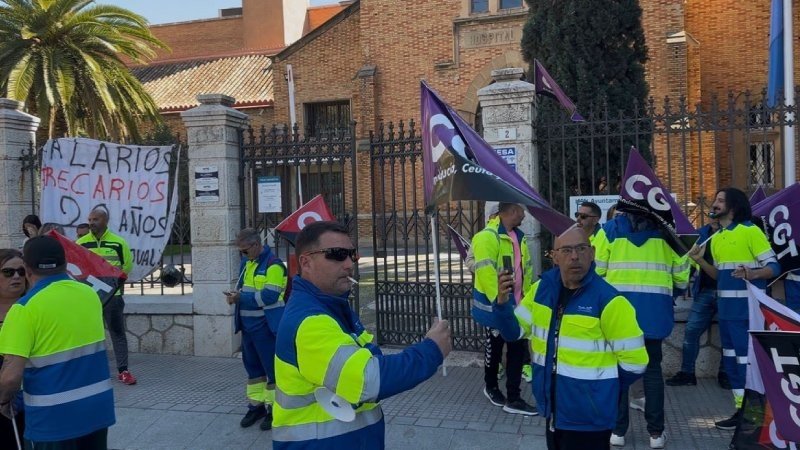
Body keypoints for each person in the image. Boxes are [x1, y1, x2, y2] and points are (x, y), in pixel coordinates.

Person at [272, 221, 451, 449]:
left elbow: (369, 360)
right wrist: (431, 350)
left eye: (352, 255)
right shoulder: (310, 321)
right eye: (337, 254)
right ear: (305, 262)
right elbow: (368, 380)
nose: (349, 264)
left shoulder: (334, 307)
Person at [492, 226, 648, 450]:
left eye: (581, 248)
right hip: (553, 409)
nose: (574, 256)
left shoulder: (610, 301)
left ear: (592, 253)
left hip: (590, 418)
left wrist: (599, 391)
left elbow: (636, 363)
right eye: (566, 250)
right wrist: (501, 303)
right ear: (554, 257)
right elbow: (514, 332)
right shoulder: (541, 290)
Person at [0, 236, 115, 449]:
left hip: (52, 420)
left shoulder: (24, 309)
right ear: (65, 263)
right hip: (97, 409)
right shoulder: (89, 295)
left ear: (27, 269)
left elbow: (10, 378)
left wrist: (3, 400)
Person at [593, 211, 690, 449]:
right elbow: (682, 279)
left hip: (618, 314)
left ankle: (617, 431)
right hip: (654, 313)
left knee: (617, 372)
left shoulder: (609, 230)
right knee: (652, 371)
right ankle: (656, 434)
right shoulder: (669, 233)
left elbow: (596, 272)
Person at [689, 188, 779, 430]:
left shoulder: (750, 231)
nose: (714, 204)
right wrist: (700, 261)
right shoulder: (717, 238)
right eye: (715, 200)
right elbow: (720, 276)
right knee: (732, 364)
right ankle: (742, 413)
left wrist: (752, 274)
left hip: (748, 312)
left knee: (748, 364)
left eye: (720, 200)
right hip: (727, 313)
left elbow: (774, 267)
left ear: (734, 206)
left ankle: (756, 417)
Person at [471, 203, 537, 415]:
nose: (525, 215)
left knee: (517, 351)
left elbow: (525, 270)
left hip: (518, 307)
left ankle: (514, 398)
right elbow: (487, 275)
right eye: (522, 210)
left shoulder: (519, 236)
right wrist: (502, 305)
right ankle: (491, 387)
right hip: (499, 308)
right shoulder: (487, 237)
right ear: (513, 211)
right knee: (495, 348)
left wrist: (526, 300)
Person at [225, 228, 287, 431]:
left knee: (272, 371)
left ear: (256, 245)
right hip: (248, 327)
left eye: (244, 250)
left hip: (266, 327)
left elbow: (269, 296)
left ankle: (274, 409)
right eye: (240, 251)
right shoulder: (247, 263)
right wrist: (234, 296)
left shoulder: (274, 265)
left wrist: (241, 298)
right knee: (253, 371)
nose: (242, 254)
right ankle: (256, 406)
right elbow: (245, 290)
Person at [666, 219, 729, 389]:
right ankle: (687, 373)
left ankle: (726, 373)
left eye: (718, 212)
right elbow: (688, 265)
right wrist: (678, 290)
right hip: (705, 291)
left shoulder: (733, 233)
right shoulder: (700, 235)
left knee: (728, 335)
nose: (714, 216)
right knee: (691, 331)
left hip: (729, 293)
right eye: (711, 212)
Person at [77, 208, 137, 385]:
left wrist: (111, 285)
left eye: (95, 219)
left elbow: (127, 266)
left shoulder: (118, 242)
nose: (91, 223)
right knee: (88, 335)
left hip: (113, 297)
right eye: (90, 219)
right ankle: (90, 372)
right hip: (89, 297)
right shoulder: (81, 243)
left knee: (117, 333)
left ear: (105, 221)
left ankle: (123, 371)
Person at [0, 249, 26, 448]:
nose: (16, 276)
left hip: (25, 393)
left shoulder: (33, 307)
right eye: (8, 272)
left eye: (21, 271)